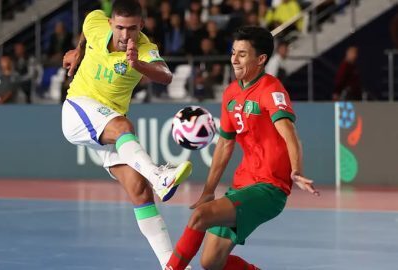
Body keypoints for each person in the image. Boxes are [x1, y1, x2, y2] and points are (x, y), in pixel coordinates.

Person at [165, 26, 319, 270]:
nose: (234, 59)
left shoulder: (272, 90)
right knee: (211, 262)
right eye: (233, 52)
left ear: (261, 59)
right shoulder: (231, 93)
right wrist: (208, 190)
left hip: (269, 188)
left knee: (199, 217)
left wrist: (296, 170)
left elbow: (289, 134)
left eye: (242, 54)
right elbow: (226, 144)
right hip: (242, 184)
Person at [61, 1, 192, 269]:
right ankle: (159, 176)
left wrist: (137, 64)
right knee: (123, 127)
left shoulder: (145, 49)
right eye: (120, 27)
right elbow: (89, 22)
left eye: (132, 29)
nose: (125, 35)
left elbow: (166, 76)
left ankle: (171, 265)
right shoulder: (97, 24)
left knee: (140, 191)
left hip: (106, 121)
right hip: (78, 108)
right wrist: (78, 50)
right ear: (111, 23)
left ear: (141, 26)